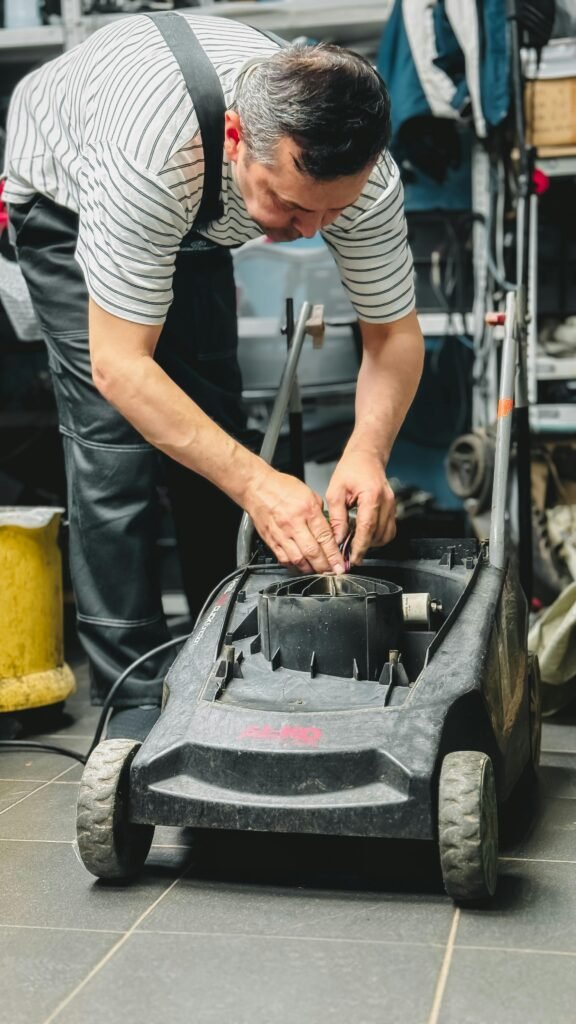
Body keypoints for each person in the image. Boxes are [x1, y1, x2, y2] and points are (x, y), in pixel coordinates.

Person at [2, 12, 424, 734]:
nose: (312, 232)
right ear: (237, 141)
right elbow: (120, 366)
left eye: (336, 209)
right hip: (70, 192)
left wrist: (367, 451)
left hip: (202, 202)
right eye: (291, 205)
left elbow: (393, 333)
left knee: (213, 422)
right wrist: (262, 487)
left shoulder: (361, 173)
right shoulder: (151, 155)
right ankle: (134, 702)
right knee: (116, 448)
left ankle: (221, 658)